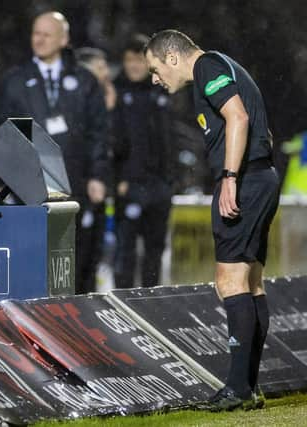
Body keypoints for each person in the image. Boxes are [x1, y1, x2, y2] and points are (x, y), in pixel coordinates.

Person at [144, 30, 279, 411]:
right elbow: (262, 127)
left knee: (229, 280)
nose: (156, 79)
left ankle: (237, 390)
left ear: (172, 58)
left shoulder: (206, 66)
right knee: (251, 282)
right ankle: (247, 387)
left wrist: (231, 178)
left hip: (245, 179)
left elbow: (237, 116)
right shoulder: (225, 66)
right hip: (261, 176)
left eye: (155, 69)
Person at [0, 11, 109, 294]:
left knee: (75, 258)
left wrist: (98, 175)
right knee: (32, 257)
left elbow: (99, 132)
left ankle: (76, 319)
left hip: (75, 182)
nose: (39, 39)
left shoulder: (84, 81)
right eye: (36, 33)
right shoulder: (15, 81)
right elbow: (1, 132)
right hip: (29, 187)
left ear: (64, 38)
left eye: (47, 34)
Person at [111, 34, 173, 289]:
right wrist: (118, 181)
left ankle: (151, 302)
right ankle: (124, 305)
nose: (134, 65)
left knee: (154, 250)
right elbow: (110, 142)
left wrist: (171, 180)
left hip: (159, 186)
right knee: (125, 251)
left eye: (139, 60)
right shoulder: (114, 93)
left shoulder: (163, 92)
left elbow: (171, 140)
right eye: (129, 60)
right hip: (129, 186)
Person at [75, 47, 117, 111]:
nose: (107, 72)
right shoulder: (73, 96)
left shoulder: (107, 91)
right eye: (100, 68)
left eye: (106, 67)